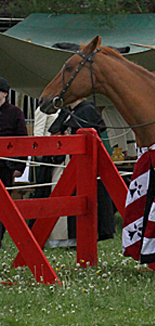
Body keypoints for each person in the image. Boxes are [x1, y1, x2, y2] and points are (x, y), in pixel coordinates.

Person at [47, 98, 116, 242]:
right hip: (65, 163)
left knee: (85, 199)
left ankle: (80, 236)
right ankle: (62, 237)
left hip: (82, 165)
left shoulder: (87, 111)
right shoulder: (67, 112)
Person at [0, 76, 28, 248]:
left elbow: (22, 141)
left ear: (4, 93)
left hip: (5, 166)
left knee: (2, 205)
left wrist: (20, 166)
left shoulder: (15, 112)